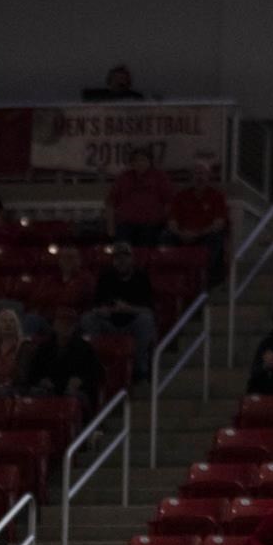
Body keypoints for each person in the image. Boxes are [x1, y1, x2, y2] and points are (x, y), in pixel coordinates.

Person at [84, 243, 159, 372]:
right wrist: (104, 310)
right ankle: (95, 363)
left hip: (133, 323)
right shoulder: (106, 277)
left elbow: (148, 309)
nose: (121, 261)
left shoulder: (141, 277)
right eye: (117, 258)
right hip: (109, 322)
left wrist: (127, 309)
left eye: (125, 257)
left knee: (146, 320)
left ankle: (139, 367)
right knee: (88, 319)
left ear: (131, 259)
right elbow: (96, 306)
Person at [165, 159, 229, 287]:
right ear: (191, 177)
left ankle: (202, 275)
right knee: (165, 237)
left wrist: (197, 233)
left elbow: (219, 223)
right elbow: (172, 222)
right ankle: (171, 275)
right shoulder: (180, 196)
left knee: (216, 237)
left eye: (202, 173)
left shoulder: (217, 196)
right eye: (196, 173)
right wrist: (181, 233)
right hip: (182, 235)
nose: (199, 177)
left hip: (205, 235)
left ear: (208, 176)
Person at [28, 307, 106, 405]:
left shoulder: (85, 348)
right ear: (54, 325)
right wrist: (41, 381)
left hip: (74, 394)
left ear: (74, 326)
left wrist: (81, 381)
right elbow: (32, 374)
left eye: (69, 323)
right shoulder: (44, 348)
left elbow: (98, 374)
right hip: (48, 392)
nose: (65, 326)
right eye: (62, 323)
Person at [106, 149, 174, 247]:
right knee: (122, 250)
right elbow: (110, 203)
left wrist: (168, 223)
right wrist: (110, 228)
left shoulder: (160, 177)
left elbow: (169, 202)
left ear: (150, 161)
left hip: (152, 226)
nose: (139, 163)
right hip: (125, 225)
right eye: (136, 160)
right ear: (131, 163)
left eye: (143, 160)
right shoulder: (123, 178)